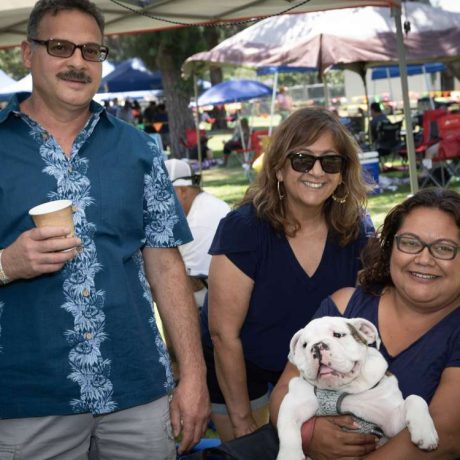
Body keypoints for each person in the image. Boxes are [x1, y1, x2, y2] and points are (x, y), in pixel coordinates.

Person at [0, 1, 209, 459]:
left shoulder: (138, 147)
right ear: (27, 54)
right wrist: (6, 264)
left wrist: (193, 376)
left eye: (92, 51)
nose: (77, 62)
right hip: (28, 398)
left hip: (137, 388)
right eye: (60, 47)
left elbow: (166, 265)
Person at [201, 107, 374, 441]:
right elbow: (224, 335)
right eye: (302, 159)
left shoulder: (357, 230)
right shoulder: (243, 230)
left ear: (342, 173)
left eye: (331, 162)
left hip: (321, 376)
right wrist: (241, 422)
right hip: (242, 377)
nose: (317, 171)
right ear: (279, 168)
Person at [270, 188, 460, 459]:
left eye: (444, 248)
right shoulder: (344, 306)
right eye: (409, 242)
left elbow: (448, 435)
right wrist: (308, 435)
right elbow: (283, 391)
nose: (424, 258)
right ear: (390, 246)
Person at [164, 159, 230, 308]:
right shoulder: (204, 204)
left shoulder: (197, 223)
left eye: (164, 194)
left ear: (183, 191)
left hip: (215, 307)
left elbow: (191, 283)